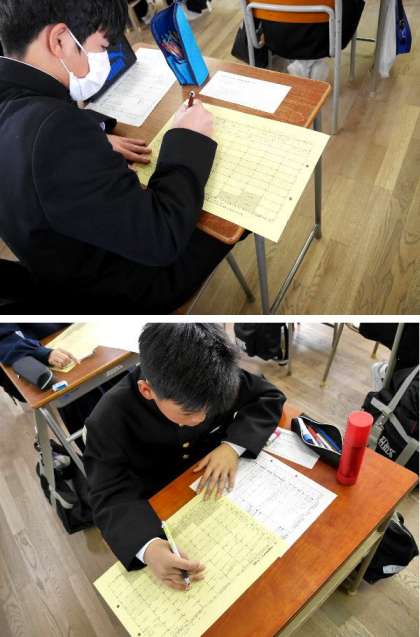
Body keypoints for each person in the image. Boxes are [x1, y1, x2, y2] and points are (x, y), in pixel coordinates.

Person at [0, 0, 231, 312]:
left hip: (54, 267)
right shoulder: (55, 132)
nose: (106, 60)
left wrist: (91, 136)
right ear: (60, 41)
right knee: (234, 219)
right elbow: (161, 236)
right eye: (102, 47)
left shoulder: (22, 107)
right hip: (118, 289)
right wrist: (187, 139)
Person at [84, 323, 286, 589]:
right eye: (188, 413)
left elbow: (268, 396)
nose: (201, 418)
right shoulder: (108, 418)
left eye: (210, 409)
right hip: (157, 502)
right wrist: (149, 548)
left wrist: (232, 446)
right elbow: (109, 493)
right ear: (147, 390)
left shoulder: (215, 378)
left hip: (215, 484)